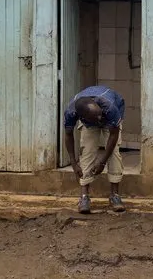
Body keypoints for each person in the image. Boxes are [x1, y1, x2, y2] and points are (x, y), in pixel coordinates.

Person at [63, 85, 126, 214]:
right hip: (88, 123)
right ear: (81, 117)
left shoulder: (109, 107)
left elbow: (113, 135)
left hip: (111, 116)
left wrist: (102, 162)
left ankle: (115, 195)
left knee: (114, 153)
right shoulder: (71, 112)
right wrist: (74, 163)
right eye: (96, 118)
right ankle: (84, 197)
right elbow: (68, 135)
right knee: (87, 150)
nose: (99, 120)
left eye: (99, 116)